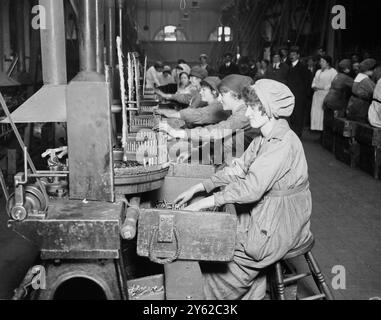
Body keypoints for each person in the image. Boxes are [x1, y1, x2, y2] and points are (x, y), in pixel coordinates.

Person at [173, 79, 312, 300]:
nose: (246, 114)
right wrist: (200, 187)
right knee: (222, 237)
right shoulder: (262, 138)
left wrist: (205, 202)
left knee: (216, 273)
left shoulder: (281, 144)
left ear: (269, 111)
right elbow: (238, 170)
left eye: (252, 108)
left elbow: (251, 190)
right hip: (269, 213)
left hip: (282, 222)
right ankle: (251, 291)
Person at [155, 75, 258, 164]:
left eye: (222, 95)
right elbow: (223, 141)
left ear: (236, 96)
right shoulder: (237, 112)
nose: (218, 99)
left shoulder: (244, 114)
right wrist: (194, 152)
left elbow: (218, 132)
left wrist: (177, 133)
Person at [155, 77, 230, 127]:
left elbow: (199, 114)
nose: (200, 92)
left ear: (214, 92)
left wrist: (169, 114)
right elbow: (183, 98)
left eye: (204, 90)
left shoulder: (218, 106)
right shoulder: (199, 95)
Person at [286, 46, 312, 137]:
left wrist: (305, 95)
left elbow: (307, 82)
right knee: (291, 114)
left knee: (299, 115)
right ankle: (291, 132)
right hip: (290, 95)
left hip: (300, 96)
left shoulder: (303, 67)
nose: (291, 56)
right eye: (291, 54)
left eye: (294, 54)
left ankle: (297, 133)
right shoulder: (289, 67)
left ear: (298, 55)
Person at [310, 55, 338, 132]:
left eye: (323, 61)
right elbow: (314, 81)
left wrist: (323, 87)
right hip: (317, 94)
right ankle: (316, 129)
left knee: (323, 113)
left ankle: (323, 130)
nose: (321, 63)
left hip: (325, 94)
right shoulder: (318, 71)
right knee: (316, 112)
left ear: (328, 63)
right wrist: (314, 86)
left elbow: (333, 83)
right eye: (320, 61)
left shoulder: (333, 72)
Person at [346, 58, 377, 122]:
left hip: (353, 103)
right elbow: (375, 91)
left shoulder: (359, 76)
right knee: (359, 124)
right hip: (360, 106)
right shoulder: (365, 80)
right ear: (368, 70)